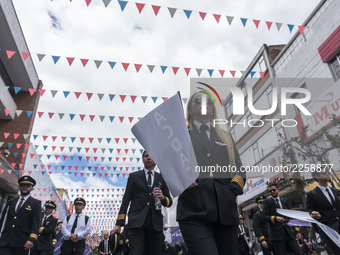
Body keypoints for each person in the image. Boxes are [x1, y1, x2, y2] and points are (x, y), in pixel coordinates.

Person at [176, 91, 246, 255]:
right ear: (190, 109)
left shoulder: (226, 137)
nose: (203, 103)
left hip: (225, 211)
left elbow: (239, 170)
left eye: (209, 101)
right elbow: (170, 166)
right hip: (193, 209)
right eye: (197, 100)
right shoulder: (181, 135)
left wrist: (230, 191)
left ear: (213, 109)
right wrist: (183, 181)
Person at [111, 151, 173, 255]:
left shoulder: (161, 178)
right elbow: (126, 200)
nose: (148, 158)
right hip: (136, 223)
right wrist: (119, 224)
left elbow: (169, 202)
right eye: (146, 156)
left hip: (155, 224)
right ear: (142, 159)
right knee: (136, 253)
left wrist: (162, 198)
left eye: (151, 156)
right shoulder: (134, 176)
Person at [0, 176, 41, 255]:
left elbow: (36, 223)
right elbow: (3, 220)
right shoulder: (11, 202)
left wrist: (32, 239)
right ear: (19, 187)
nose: (24, 187)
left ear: (32, 188)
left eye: (27, 185)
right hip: (6, 240)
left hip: (22, 242)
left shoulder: (36, 203)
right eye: (22, 185)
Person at [306, 168, 340, 254]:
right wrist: (313, 213)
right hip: (329, 230)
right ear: (317, 177)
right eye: (324, 173)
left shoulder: (335, 191)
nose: (327, 174)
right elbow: (309, 210)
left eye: (327, 172)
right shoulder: (312, 194)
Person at [262, 183, 302, 255]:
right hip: (276, 235)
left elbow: (290, 216)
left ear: (278, 190)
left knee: (298, 252)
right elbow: (264, 217)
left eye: (274, 190)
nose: (272, 192)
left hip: (288, 232)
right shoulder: (267, 202)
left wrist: (297, 231)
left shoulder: (285, 201)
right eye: (270, 191)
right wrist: (275, 218)